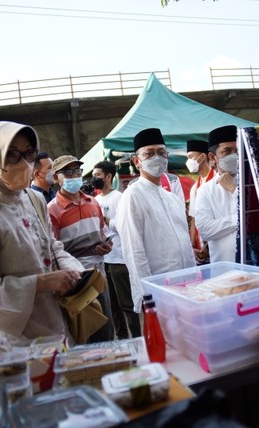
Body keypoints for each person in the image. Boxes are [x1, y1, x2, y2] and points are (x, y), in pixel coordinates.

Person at [0, 121, 84, 343]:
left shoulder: (34, 199)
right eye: (12, 155)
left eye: (29, 153)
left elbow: (51, 245)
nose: (24, 164)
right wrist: (44, 282)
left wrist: (73, 271)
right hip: (19, 340)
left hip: (56, 324)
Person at [116, 128, 196, 313]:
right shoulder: (132, 196)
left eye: (161, 153)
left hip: (187, 287)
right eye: (149, 154)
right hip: (158, 291)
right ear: (137, 162)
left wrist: (194, 280)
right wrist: (147, 295)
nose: (157, 158)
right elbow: (133, 250)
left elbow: (185, 245)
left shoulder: (172, 198)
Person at [47, 155, 115, 343]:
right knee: (83, 335)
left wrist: (106, 245)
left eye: (77, 171)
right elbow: (53, 250)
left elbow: (102, 232)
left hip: (99, 276)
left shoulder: (93, 203)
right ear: (56, 178)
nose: (74, 176)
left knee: (106, 330)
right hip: (75, 282)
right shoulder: (51, 210)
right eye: (67, 172)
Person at [195, 125, 259, 265]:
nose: (234, 155)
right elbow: (206, 230)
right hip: (224, 269)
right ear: (212, 157)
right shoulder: (205, 190)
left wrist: (234, 189)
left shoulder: (256, 183)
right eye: (227, 151)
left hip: (257, 265)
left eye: (237, 150)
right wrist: (242, 219)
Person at [93, 160, 142, 339]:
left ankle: (137, 339)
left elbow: (125, 225)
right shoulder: (94, 200)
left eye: (98, 175)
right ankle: (122, 339)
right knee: (112, 305)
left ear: (108, 177)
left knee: (127, 304)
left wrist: (107, 221)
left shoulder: (119, 198)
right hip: (103, 259)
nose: (94, 179)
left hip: (119, 258)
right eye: (93, 175)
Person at [185, 139, 213, 265]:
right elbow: (193, 219)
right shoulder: (195, 187)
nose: (188, 161)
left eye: (191, 157)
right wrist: (192, 248)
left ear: (202, 157)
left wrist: (209, 248)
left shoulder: (217, 182)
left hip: (215, 245)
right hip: (199, 247)